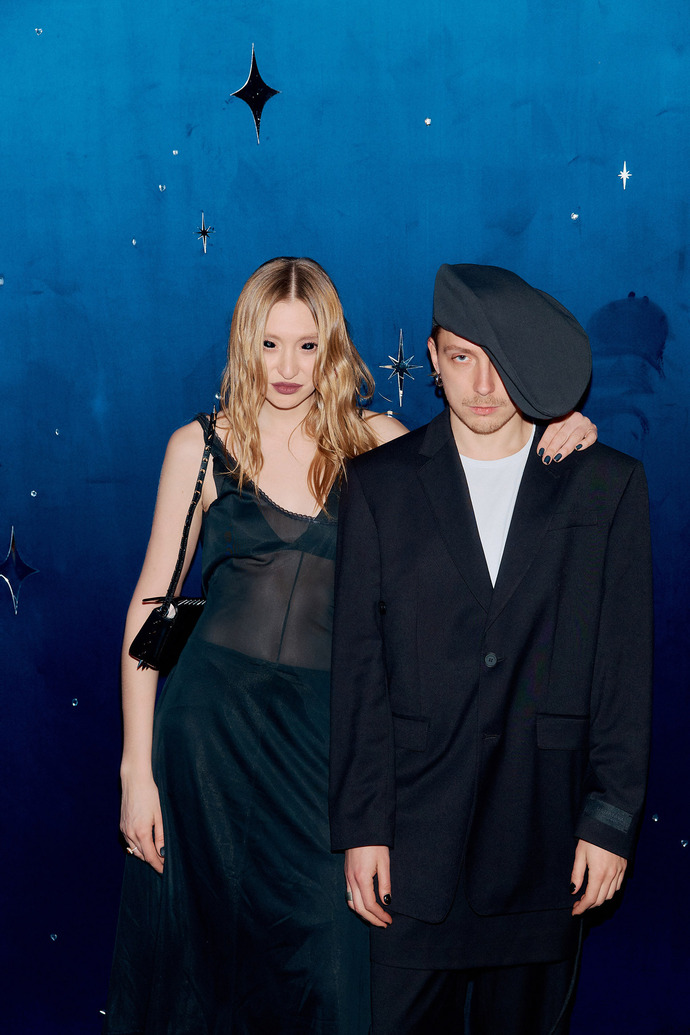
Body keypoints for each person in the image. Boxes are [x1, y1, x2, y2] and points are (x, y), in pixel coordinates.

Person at [104, 257, 595, 1034]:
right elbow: (152, 608)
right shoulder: (199, 446)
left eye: (306, 345)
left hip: (322, 747)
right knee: (202, 961)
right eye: (270, 344)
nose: (287, 367)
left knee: (331, 967)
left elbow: (490, 466)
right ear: (244, 345)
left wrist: (555, 429)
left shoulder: (378, 442)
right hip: (206, 744)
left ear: (331, 346)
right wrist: (138, 771)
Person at [329, 264, 653, 1035]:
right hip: (414, 847)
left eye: (501, 360)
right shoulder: (378, 485)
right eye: (461, 356)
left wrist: (609, 820)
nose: (482, 385)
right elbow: (359, 671)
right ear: (432, 358)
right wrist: (363, 826)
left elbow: (623, 671)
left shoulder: (604, 484)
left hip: (545, 840)